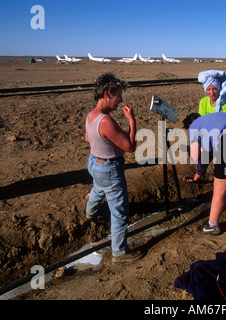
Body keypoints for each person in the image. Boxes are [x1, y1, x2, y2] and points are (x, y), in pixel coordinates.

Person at [85, 72, 143, 264]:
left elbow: (88, 138)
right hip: (109, 169)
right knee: (119, 211)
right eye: (119, 96)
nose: (121, 101)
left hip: (94, 162)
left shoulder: (91, 116)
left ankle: (90, 211)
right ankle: (119, 252)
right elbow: (129, 147)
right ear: (108, 93)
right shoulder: (106, 121)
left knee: (98, 188)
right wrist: (132, 121)